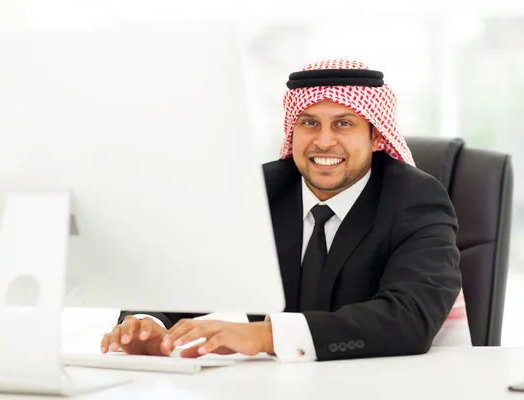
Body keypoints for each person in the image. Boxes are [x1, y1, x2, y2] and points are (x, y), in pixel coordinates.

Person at [101, 59, 469, 362]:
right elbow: (186, 269)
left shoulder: (416, 199)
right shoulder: (261, 192)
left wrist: (266, 335)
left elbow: (408, 320)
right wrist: (146, 323)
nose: (324, 141)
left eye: (344, 123)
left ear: (375, 136)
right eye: (309, 123)